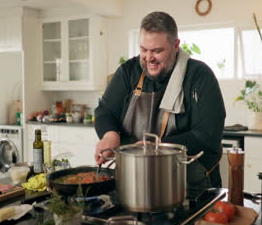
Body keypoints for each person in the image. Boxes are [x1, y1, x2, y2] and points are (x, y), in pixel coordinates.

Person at [94, 11, 226, 188]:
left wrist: (157, 148)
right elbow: (105, 111)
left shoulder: (199, 76)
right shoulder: (128, 72)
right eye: (143, 50)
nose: (149, 58)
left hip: (190, 185)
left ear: (176, 45)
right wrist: (110, 134)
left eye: (157, 51)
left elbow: (207, 134)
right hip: (133, 183)